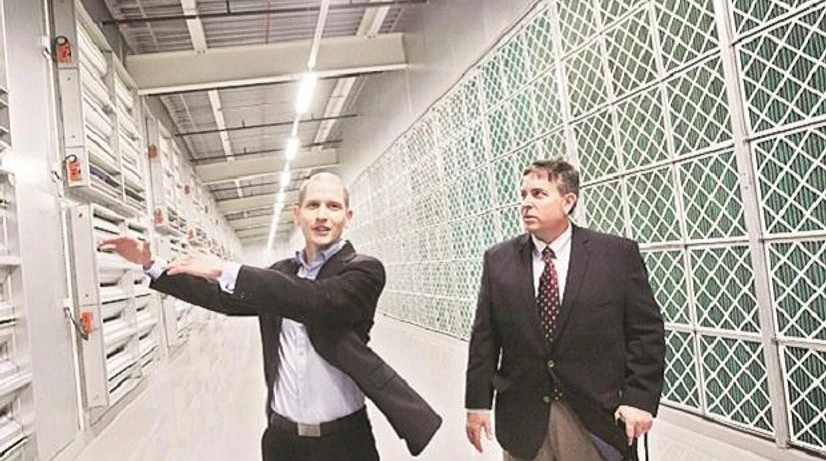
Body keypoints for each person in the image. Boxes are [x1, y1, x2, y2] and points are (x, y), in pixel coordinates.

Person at [99, 172, 441, 461]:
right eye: (313, 205)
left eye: (333, 206)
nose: (322, 214)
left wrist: (230, 269)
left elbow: (318, 301)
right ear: (297, 214)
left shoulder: (363, 271)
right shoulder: (280, 273)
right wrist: (151, 265)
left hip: (346, 441)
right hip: (282, 440)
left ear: (347, 217)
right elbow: (223, 299)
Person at [464, 158, 665, 461]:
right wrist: (477, 403)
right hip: (524, 419)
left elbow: (645, 332)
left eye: (538, 194)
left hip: (594, 418)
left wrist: (640, 399)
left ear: (568, 201)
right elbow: (485, 338)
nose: (526, 204)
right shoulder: (498, 260)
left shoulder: (615, 255)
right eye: (523, 195)